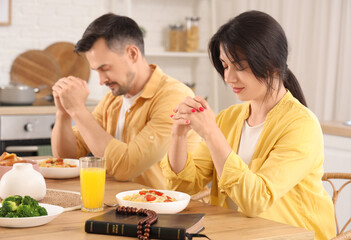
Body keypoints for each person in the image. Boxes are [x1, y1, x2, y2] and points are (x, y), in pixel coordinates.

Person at [160, 10, 335, 239]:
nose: (229, 78)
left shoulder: (302, 126)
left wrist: (211, 133)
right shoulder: (228, 118)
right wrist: (178, 135)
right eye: (225, 66)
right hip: (231, 233)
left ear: (271, 64)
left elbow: (256, 200)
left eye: (239, 66)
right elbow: (183, 187)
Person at [51, 13, 200, 189]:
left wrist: (78, 110)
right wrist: (64, 113)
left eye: (105, 68)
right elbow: (68, 158)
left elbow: (127, 167)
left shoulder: (174, 97)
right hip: (122, 207)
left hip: (171, 211)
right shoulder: (112, 100)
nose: (101, 80)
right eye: (96, 71)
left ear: (132, 54)